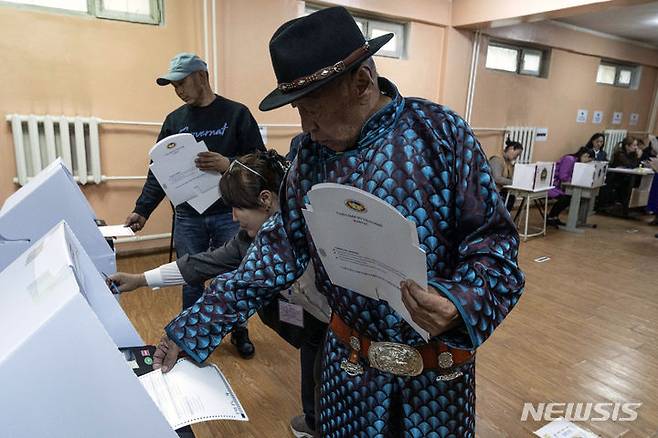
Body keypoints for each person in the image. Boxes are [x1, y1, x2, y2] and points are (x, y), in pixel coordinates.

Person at [152, 7, 524, 437]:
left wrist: (460, 302)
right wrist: (193, 328)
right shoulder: (309, 156)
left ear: (362, 83)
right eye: (298, 112)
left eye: (312, 109)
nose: (306, 128)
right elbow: (276, 250)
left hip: (436, 383)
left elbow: (494, 246)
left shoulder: (440, 134)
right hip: (347, 379)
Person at [112, 150, 329, 437]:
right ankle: (313, 421)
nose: (233, 216)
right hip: (309, 321)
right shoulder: (247, 242)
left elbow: (238, 288)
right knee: (311, 361)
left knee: (328, 376)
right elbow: (201, 264)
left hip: (339, 322)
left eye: (238, 207)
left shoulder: (313, 229)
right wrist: (140, 279)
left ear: (265, 200)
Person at [124, 52, 265, 358]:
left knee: (235, 277)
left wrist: (229, 163)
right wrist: (142, 210)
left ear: (202, 76)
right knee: (191, 276)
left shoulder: (236, 114)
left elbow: (261, 163)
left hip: (230, 212)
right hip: (189, 216)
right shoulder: (175, 121)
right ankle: (189, 335)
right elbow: (158, 171)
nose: (178, 91)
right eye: (173, 86)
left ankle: (238, 331)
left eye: (182, 83)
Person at [546, 147, 595, 226]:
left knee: (569, 197)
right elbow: (563, 176)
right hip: (550, 184)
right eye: (588, 160)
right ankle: (551, 217)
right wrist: (575, 179)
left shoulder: (576, 161)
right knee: (566, 197)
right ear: (586, 155)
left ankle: (554, 216)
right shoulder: (569, 159)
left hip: (558, 185)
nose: (586, 163)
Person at [489, 139, 524, 211]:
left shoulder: (508, 163)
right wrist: (514, 182)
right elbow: (497, 178)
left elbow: (510, 177)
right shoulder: (496, 159)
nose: (516, 157)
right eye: (517, 154)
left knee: (511, 197)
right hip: (492, 192)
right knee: (509, 198)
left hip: (501, 192)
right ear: (511, 149)